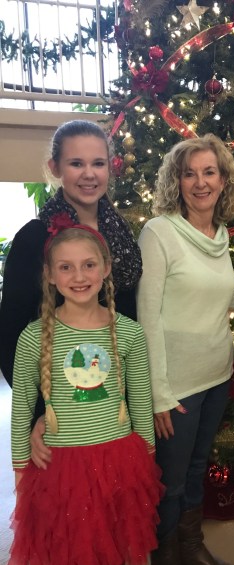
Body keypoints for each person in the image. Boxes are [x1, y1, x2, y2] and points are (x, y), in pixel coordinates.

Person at [7, 214, 163, 565]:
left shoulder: (129, 333)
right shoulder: (33, 337)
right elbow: (21, 409)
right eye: (66, 267)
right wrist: (22, 474)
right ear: (49, 275)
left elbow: (141, 403)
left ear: (106, 268)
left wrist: (145, 464)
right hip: (59, 471)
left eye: (89, 264)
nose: (79, 276)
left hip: (118, 467)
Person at [136, 133, 234, 565]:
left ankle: (192, 547)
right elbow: (148, 315)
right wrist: (158, 393)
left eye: (209, 172)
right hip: (176, 387)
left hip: (216, 375)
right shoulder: (159, 232)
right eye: (189, 173)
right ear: (176, 181)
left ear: (223, 180)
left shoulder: (220, 236)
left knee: (198, 469)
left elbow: (221, 298)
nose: (200, 182)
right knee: (172, 482)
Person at [0, 119, 142, 466]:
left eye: (98, 163)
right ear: (55, 168)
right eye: (76, 163)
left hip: (113, 405)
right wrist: (40, 409)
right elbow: (11, 338)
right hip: (62, 410)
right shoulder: (35, 238)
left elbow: (128, 317)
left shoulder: (120, 232)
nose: (89, 174)